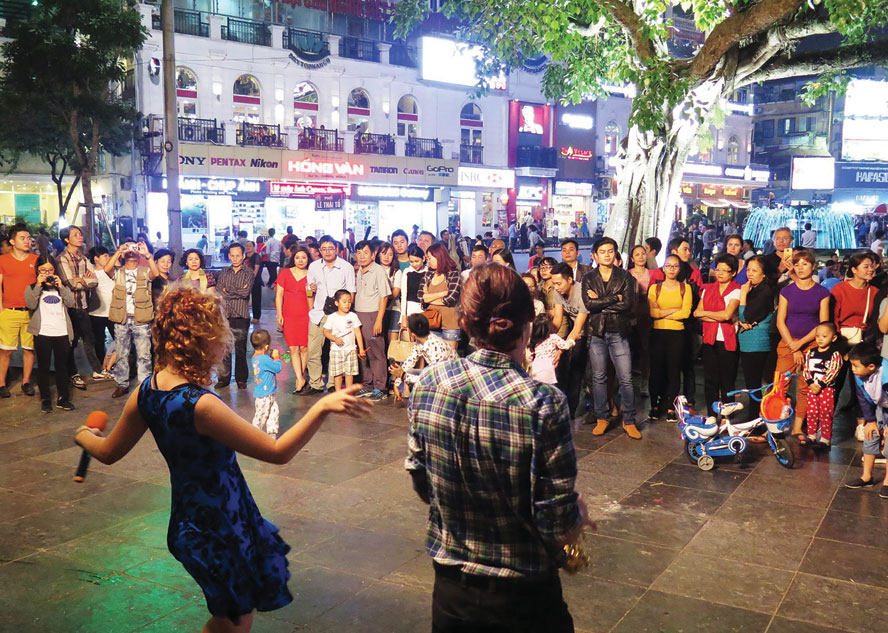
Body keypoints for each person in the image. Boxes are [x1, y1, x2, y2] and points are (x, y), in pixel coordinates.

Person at [73, 286, 372, 633]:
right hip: (214, 526)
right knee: (235, 619)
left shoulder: (147, 391)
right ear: (201, 338)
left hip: (197, 520)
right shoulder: (201, 404)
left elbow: (108, 452)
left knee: (233, 617)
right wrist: (320, 408)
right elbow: (277, 452)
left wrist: (82, 435)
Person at [406, 263, 591, 633]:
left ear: (467, 325)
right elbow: (555, 520)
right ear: (526, 326)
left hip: (452, 592)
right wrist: (578, 515)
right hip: (524, 596)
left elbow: (423, 485)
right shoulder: (544, 402)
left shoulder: (429, 383)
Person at [582, 237, 640, 439]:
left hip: (618, 331)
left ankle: (629, 420)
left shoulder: (625, 277)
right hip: (597, 332)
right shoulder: (588, 278)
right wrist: (615, 298)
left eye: (610, 251)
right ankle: (602, 418)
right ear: (595, 256)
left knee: (626, 378)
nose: (607, 255)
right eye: (603, 251)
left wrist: (601, 301)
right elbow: (589, 304)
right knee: (599, 378)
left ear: (615, 254)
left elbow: (627, 305)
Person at [775, 249, 831, 440]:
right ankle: (775, 424)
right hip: (788, 343)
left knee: (805, 386)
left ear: (813, 266)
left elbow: (823, 325)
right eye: (797, 264)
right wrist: (792, 344)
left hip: (812, 344)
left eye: (805, 264)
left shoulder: (822, 292)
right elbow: (780, 321)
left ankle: (798, 427)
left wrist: (801, 344)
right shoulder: (786, 291)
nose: (800, 268)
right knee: (780, 385)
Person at [104, 241, 159, 399]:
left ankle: (144, 386)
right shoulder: (118, 271)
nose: (131, 250)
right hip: (122, 317)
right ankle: (122, 384)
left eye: (134, 247)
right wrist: (118, 252)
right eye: (128, 247)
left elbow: (155, 274)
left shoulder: (145, 270)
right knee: (122, 353)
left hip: (141, 318)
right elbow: (106, 270)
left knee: (144, 355)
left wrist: (147, 254)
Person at [306, 236, 356, 394]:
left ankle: (333, 383)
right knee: (313, 349)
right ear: (319, 250)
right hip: (318, 313)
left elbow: (351, 292)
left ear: (337, 249)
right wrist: (311, 309)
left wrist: (344, 314)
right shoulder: (313, 267)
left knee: (336, 350)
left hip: (338, 315)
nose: (327, 252)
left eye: (331, 248)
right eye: (324, 249)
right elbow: (309, 291)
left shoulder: (346, 267)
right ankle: (315, 383)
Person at [26, 255, 76, 412]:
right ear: (37, 271)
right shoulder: (32, 287)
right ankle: (46, 399)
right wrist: (39, 285)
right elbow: (31, 304)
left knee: (62, 367)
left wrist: (61, 287)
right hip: (43, 333)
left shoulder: (61, 287)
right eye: (43, 270)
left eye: (50, 270)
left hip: (61, 332)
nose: (47, 273)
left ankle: (63, 398)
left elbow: (71, 303)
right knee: (43, 367)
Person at [57, 226, 104, 388]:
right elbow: (69, 283)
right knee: (71, 342)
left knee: (89, 339)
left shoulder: (84, 259)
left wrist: (81, 279)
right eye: (75, 235)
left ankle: (97, 370)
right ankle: (73, 373)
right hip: (69, 307)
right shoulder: (62, 258)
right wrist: (85, 280)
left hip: (83, 306)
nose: (80, 237)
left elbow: (95, 281)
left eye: (80, 234)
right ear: (66, 239)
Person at [695, 253, 741, 415]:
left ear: (733, 273)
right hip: (710, 339)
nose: (720, 272)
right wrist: (718, 314)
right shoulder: (708, 289)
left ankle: (727, 416)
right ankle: (712, 415)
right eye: (718, 269)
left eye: (725, 270)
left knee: (727, 380)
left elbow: (727, 315)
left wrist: (708, 314)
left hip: (726, 339)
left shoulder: (735, 290)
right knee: (710, 380)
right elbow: (696, 313)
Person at [648, 255, 692, 421]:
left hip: (677, 334)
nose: (672, 269)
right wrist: (674, 310)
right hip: (658, 333)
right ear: (663, 268)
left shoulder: (685, 288)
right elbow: (652, 313)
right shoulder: (654, 289)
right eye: (669, 266)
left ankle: (670, 406)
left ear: (679, 269)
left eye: (675, 266)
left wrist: (662, 313)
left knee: (674, 370)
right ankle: (655, 404)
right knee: (656, 370)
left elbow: (685, 313)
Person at [843, 343, 888, 495]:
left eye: (855, 366)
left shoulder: (885, 374)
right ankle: (866, 477)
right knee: (871, 435)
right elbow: (863, 398)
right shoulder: (859, 376)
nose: (852, 369)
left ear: (870, 366)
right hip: (879, 406)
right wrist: (870, 421)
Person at [737, 255, 778, 419]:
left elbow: (745, 315)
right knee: (754, 384)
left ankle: (756, 419)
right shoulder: (755, 289)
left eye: (754, 270)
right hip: (749, 342)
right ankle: (757, 417)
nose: (750, 274)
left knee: (755, 385)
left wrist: (742, 296)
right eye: (748, 270)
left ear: (764, 274)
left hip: (757, 343)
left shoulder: (763, 291)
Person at [0, 225, 38, 398]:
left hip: (31, 312)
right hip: (9, 311)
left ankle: (26, 382)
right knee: (6, 350)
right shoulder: (3, 261)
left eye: (29, 238)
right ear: (12, 241)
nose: (27, 241)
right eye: (23, 238)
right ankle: (1, 384)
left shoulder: (36, 260)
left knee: (29, 349)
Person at [353, 240, 391, 401]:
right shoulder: (359, 271)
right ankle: (367, 385)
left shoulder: (378, 271)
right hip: (359, 315)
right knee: (363, 353)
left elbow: (384, 296)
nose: (362, 257)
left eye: (366, 253)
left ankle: (380, 387)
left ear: (373, 255)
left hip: (373, 315)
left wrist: (378, 320)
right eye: (359, 253)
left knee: (376, 352)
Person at [551, 263, 589, 416]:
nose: (556, 287)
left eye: (559, 283)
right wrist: (548, 339)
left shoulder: (582, 293)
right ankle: (560, 405)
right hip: (575, 331)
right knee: (562, 368)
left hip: (589, 331)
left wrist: (560, 350)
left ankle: (571, 409)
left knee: (577, 367)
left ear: (570, 280)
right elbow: (558, 319)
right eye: (554, 283)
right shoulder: (557, 292)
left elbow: (578, 328)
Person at [216, 242, 255, 391]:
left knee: (240, 349)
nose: (235, 258)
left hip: (241, 315)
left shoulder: (249, 273)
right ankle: (224, 378)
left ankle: (241, 379)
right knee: (224, 349)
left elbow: (245, 293)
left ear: (243, 256)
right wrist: (236, 291)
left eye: (238, 255)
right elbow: (220, 291)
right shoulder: (223, 272)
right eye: (232, 255)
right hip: (225, 315)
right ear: (228, 256)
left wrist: (229, 291)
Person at [389, 313, 458, 396]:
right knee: (411, 371)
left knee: (415, 376)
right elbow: (410, 361)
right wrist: (397, 384)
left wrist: (403, 375)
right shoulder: (421, 342)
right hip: (439, 377)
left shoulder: (436, 348)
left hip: (450, 382)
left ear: (412, 333)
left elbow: (433, 379)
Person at [800, 322, 843, 449]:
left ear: (833, 338)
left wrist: (821, 384)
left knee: (825, 412)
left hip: (826, 389)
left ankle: (825, 439)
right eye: (818, 336)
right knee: (812, 411)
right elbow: (806, 369)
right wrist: (810, 383)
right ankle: (811, 435)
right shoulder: (811, 352)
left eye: (824, 336)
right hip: (812, 387)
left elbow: (833, 371)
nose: (820, 339)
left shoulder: (834, 354)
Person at [275, 245, 311, 394]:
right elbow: (279, 295)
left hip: (307, 315)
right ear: (293, 258)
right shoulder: (285, 273)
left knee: (304, 348)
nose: (300, 260)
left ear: (308, 259)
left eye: (303, 257)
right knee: (293, 348)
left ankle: (299, 377)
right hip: (289, 315)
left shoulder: (311, 274)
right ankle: (299, 377)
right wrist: (279, 314)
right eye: (297, 257)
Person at [418, 242, 461, 349]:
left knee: (449, 359)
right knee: (433, 358)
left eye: (430, 258)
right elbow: (420, 297)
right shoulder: (428, 274)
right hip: (431, 322)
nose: (428, 261)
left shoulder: (453, 273)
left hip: (450, 323)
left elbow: (450, 299)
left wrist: (429, 297)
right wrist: (441, 294)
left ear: (439, 257)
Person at [323, 289, 365, 391]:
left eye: (349, 302)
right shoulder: (332, 317)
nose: (347, 304)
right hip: (336, 351)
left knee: (349, 372)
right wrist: (335, 339)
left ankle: (348, 393)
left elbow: (358, 333)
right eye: (344, 302)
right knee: (337, 373)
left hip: (350, 349)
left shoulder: (353, 316)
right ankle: (338, 393)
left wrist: (361, 348)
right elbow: (326, 331)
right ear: (337, 303)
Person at [87, 246, 115, 375]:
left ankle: (113, 365)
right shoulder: (90, 272)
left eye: (108, 255)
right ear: (96, 258)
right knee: (98, 341)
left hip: (113, 312)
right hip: (96, 313)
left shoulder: (112, 271)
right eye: (104, 256)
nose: (107, 258)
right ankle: (101, 368)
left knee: (118, 340)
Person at [250, 328, 282, 438]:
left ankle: (271, 433)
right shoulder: (264, 359)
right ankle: (253, 435)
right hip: (265, 395)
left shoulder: (256, 358)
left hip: (268, 393)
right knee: (261, 415)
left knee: (273, 413)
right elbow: (277, 368)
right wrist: (277, 358)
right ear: (267, 347)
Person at [628, 245, 652, 390]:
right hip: (630, 315)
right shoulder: (627, 274)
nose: (641, 257)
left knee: (645, 349)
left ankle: (645, 381)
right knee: (629, 349)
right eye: (637, 254)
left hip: (647, 315)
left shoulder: (652, 274)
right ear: (632, 258)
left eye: (643, 253)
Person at [529, 313, 574, 385]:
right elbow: (565, 345)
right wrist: (572, 341)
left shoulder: (535, 341)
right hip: (548, 368)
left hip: (535, 368)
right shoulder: (553, 337)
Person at [376, 242, 403, 348]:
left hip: (393, 309)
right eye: (384, 253)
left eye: (390, 254)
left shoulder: (397, 272)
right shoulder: (374, 270)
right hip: (376, 309)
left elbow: (395, 293)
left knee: (392, 345)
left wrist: (381, 292)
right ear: (378, 254)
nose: (387, 257)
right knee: (379, 343)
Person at [400, 244, 427, 326]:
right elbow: (403, 295)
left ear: (423, 258)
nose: (414, 264)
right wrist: (403, 317)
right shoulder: (407, 272)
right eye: (411, 261)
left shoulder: (428, 271)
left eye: (417, 261)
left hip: (424, 309)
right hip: (409, 308)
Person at [150, 247, 177, 313]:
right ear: (155, 262)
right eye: (162, 261)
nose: (166, 264)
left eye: (169, 262)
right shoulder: (152, 280)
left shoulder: (173, 280)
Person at [244, 241, 263, 324]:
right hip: (244, 280)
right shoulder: (244, 256)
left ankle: (256, 316)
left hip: (255, 281)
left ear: (254, 247)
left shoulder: (256, 256)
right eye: (247, 246)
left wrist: (250, 280)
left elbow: (256, 270)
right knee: (244, 298)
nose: (248, 247)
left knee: (256, 299)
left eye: (250, 246)